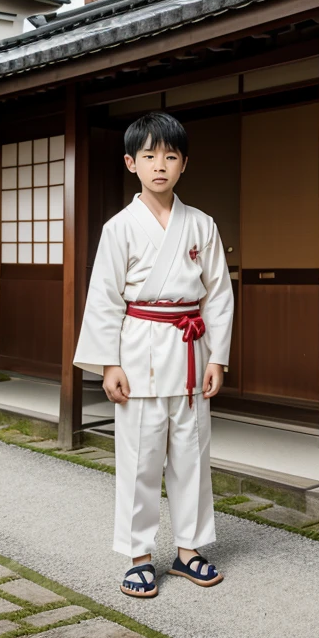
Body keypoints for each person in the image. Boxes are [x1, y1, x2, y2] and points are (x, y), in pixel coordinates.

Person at [73, 111, 235, 598]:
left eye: (170, 155)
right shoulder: (119, 227)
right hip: (138, 349)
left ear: (184, 163)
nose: (159, 164)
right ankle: (138, 555)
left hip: (189, 350)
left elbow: (219, 294)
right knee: (141, 459)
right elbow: (103, 297)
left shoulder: (201, 224)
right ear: (131, 163)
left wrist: (217, 358)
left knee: (191, 455)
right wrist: (109, 363)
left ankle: (189, 550)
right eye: (149, 156)